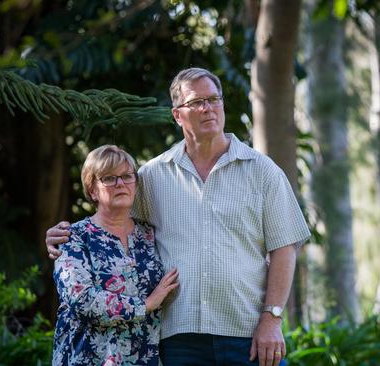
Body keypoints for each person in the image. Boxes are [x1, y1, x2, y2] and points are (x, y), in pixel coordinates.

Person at [47, 67, 310, 366]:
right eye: (197, 102)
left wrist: (272, 318)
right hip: (177, 340)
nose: (208, 108)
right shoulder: (153, 176)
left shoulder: (263, 172)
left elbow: (284, 247)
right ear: (177, 115)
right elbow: (110, 223)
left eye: (214, 99)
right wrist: (63, 235)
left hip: (248, 333)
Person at [52, 145, 179, 366]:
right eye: (109, 178)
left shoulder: (150, 235)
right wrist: (146, 304)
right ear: (92, 190)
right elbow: (81, 300)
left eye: (127, 176)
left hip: (144, 358)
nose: (120, 183)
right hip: (88, 358)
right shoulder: (73, 237)